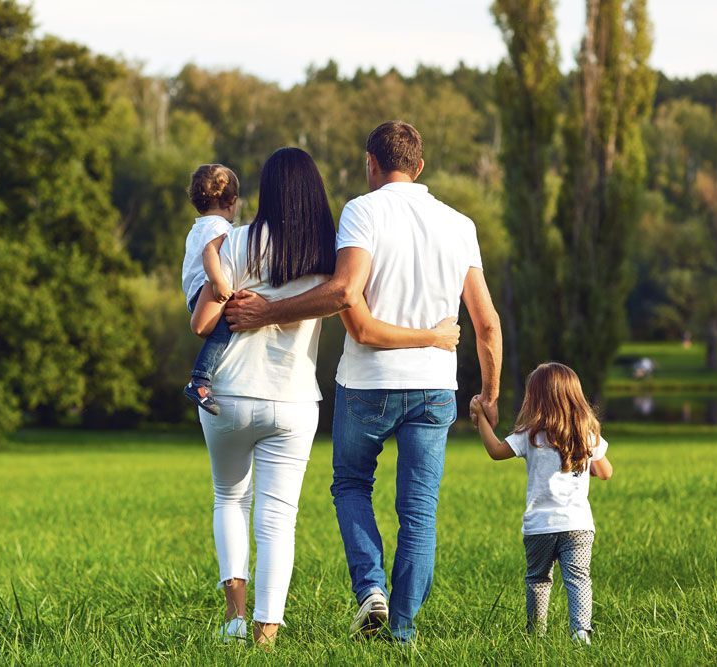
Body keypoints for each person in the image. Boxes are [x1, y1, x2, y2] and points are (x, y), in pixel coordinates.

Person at [224, 121, 503, 642]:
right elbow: (486, 323)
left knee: (351, 485)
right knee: (419, 511)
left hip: (367, 384)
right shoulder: (459, 224)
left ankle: (371, 591)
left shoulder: (362, 211)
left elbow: (344, 292)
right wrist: (489, 394)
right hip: (435, 387)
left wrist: (266, 312)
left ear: (371, 163)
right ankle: (401, 632)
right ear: (419, 167)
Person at [469, 362, 614, 645]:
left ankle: (536, 634)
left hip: (540, 527)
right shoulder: (587, 434)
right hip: (578, 526)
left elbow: (497, 452)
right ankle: (581, 633)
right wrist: (585, 462)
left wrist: (481, 420)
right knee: (578, 579)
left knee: (538, 579)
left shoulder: (531, 434)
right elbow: (605, 472)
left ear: (534, 398)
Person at [181, 164, 239, 415]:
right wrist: (218, 282)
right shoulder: (220, 228)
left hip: (194, 294)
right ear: (232, 201)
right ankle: (200, 380)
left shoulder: (198, 227)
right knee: (223, 330)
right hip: (206, 290)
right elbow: (210, 254)